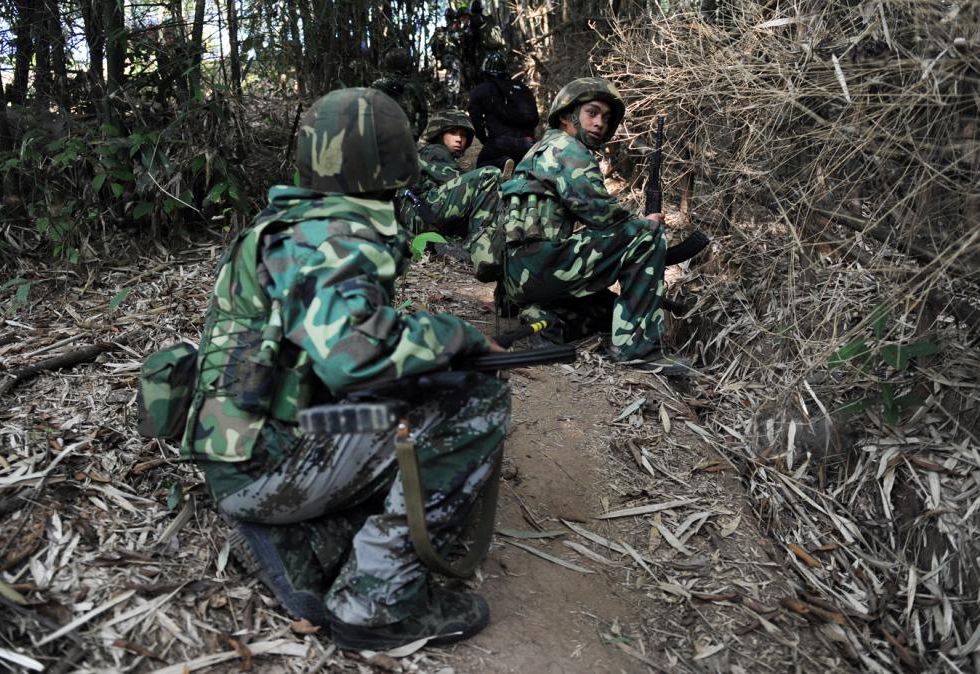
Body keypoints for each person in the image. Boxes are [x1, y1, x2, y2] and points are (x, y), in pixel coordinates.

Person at [179, 88, 511, 650]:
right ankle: (373, 604)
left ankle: (315, 533)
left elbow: (333, 340)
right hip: (263, 471)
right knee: (478, 403)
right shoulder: (335, 238)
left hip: (238, 452)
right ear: (395, 161)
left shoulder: (290, 223)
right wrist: (456, 334)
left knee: (428, 381)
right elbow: (354, 359)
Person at [478, 77, 689, 374]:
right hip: (538, 266)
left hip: (518, 277)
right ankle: (638, 351)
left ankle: (545, 320)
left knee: (606, 311)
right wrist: (645, 224)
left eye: (605, 117)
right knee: (646, 235)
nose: (600, 122)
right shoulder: (568, 150)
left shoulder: (540, 149)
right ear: (567, 116)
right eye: (592, 113)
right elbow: (601, 214)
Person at [395, 109, 501, 243]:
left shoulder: (427, 153)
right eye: (453, 133)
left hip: (419, 216)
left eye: (463, 135)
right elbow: (456, 180)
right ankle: (477, 242)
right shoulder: (434, 151)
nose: (459, 139)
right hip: (419, 215)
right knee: (489, 175)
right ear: (439, 134)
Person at [468, 51, 538, 170]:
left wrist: (484, 140)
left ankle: (502, 163)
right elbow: (534, 118)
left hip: (499, 143)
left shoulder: (481, 90)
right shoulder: (523, 88)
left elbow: (476, 120)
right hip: (528, 144)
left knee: (482, 165)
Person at [371, 47, 428, 141]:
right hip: (407, 136)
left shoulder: (378, 85)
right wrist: (415, 133)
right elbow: (423, 114)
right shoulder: (414, 86)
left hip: (383, 137)